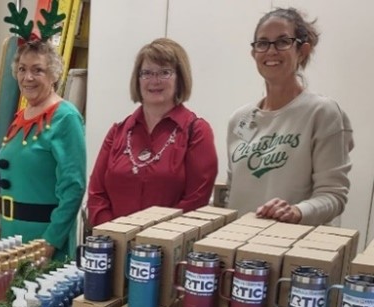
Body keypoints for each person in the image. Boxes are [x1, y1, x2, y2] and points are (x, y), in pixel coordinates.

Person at [227, 8, 353, 225]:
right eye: (263, 43)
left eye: (283, 41)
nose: (271, 51)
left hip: (291, 250)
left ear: (302, 51)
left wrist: (297, 212)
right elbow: (232, 192)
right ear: (254, 53)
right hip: (241, 249)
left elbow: (333, 196)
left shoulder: (322, 113)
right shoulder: (239, 119)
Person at [87, 38, 218, 227]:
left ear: (180, 78)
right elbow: (96, 194)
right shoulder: (118, 131)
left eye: (164, 72)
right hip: (114, 244)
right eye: (146, 73)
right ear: (137, 79)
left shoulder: (196, 131)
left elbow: (196, 200)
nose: (154, 81)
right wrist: (113, 235)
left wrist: (151, 241)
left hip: (168, 247)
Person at [0, 40, 86, 260]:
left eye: (37, 70)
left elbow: (73, 188)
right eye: (22, 69)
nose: (28, 77)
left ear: (54, 74)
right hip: (10, 237)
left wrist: (50, 242)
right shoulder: (21, 117)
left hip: (42, 243)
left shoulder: (66, 118)